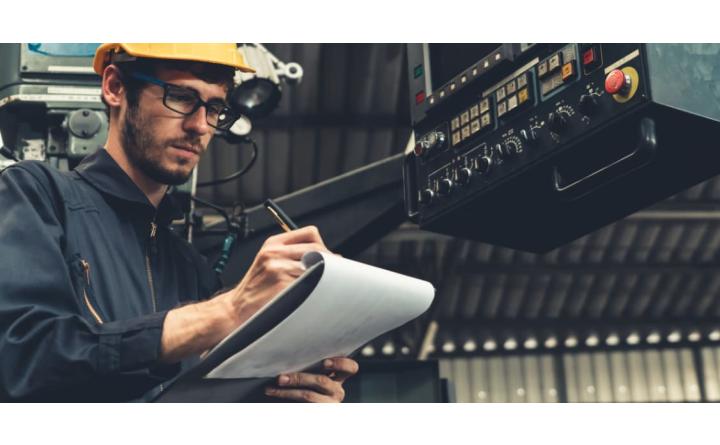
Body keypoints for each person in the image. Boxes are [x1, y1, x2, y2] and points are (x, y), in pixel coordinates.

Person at [0, 43, 358, 402]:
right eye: (182, 97)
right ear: (115, 87)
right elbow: (24, 358)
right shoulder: (36, 195)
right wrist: (228, 311)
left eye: (215, 107)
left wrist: (285, 391)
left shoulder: (192, 269)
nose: (200, 126)